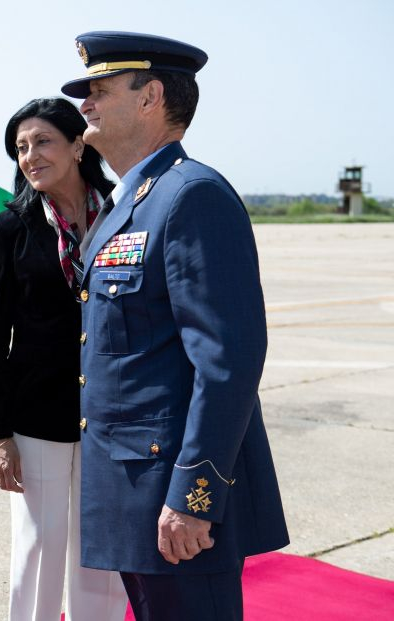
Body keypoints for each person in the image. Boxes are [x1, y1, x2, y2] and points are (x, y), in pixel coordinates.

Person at [59, 31, 290, 620]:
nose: (85, 105)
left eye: (99, 90)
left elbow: (226, 361)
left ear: (150, 97)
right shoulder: (133, 201)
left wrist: (195, 496)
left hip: (175, 500)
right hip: (135, 490)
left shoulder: (192, 197)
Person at [0, 98, 128, 621]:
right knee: (39, 546)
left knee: (102, 551)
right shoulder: (11, 226)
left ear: (78, 145)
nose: (29, 155)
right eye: (20, 147)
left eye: (42, 141)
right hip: (36, 414)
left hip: (112, 411)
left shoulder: (124, 210)